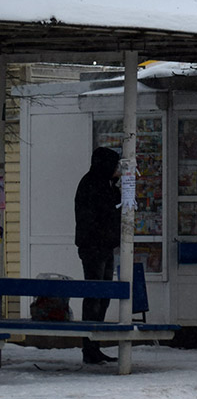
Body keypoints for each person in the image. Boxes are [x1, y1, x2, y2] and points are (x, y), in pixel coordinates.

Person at [74, 146, 121, 364]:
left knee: (103, 296)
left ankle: (94, 345)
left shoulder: (103, 184)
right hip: (94, 247)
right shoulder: (93, 185)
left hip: (104, 246)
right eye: (115, 165)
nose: (117, 169)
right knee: (95, 295)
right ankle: (90, 346)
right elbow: (98, 217)